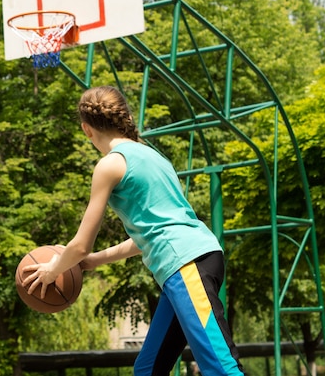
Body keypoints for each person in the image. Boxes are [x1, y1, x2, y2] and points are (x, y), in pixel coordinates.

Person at [22, 86, 245, 375]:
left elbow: (79, 246)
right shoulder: (153, 156)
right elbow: (147, 237)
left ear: (86, 130)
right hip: (193, 258)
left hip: (185, 264)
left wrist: (53, 271)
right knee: (149, 369)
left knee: (221, 367)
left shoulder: (110, 164)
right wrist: (93, 262)